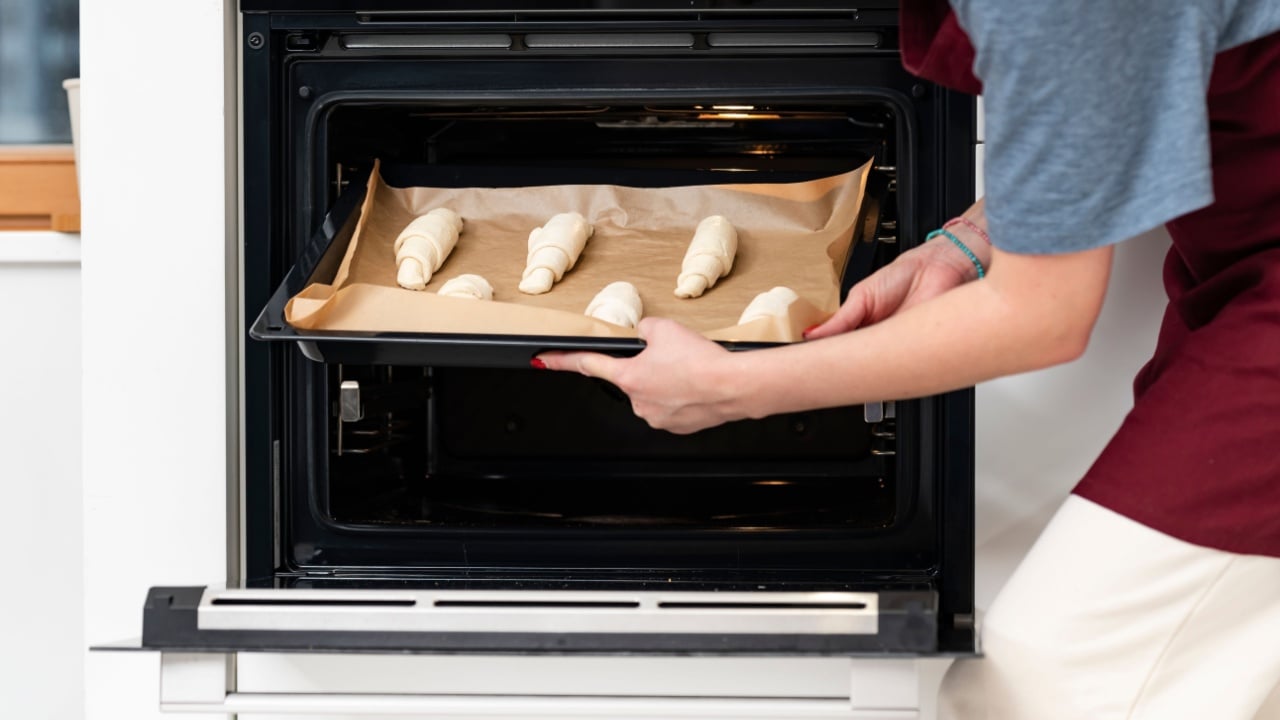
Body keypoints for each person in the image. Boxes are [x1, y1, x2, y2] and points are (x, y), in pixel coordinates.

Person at [539, 1, 1280, 717]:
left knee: (1051, 679)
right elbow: (1114, 73)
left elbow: (1040, 318)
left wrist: (733, 386)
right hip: (1241, 265)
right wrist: (974, 235)